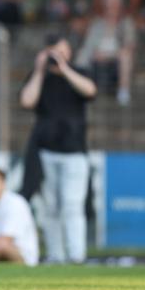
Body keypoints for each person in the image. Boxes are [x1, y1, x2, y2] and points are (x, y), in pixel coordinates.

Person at [20, 34, 97, 263]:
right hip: (46, 151)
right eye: (54, 52)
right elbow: (27, 101)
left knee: (73, 205)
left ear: (69, 53)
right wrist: (39, 70)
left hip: (75, 153)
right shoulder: (40, 77)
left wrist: (65, 70)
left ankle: (76, 255)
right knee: (50, 207)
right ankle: (56, 255)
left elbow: (90, 90)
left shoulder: (78, 72)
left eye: (62, 52)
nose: (57, 57)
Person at [76, 0, 136, 105]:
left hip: (117, 57)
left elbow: (129, 46)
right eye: (108, 5)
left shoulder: (126, 23)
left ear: (120, 6)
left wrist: (108, 55)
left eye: (114, 4)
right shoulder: (98, 23)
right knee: (82, 53)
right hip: (97, 55)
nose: (111, 7)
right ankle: (79, 88)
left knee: (125, 56)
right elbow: (89, 44)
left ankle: (123, 91)